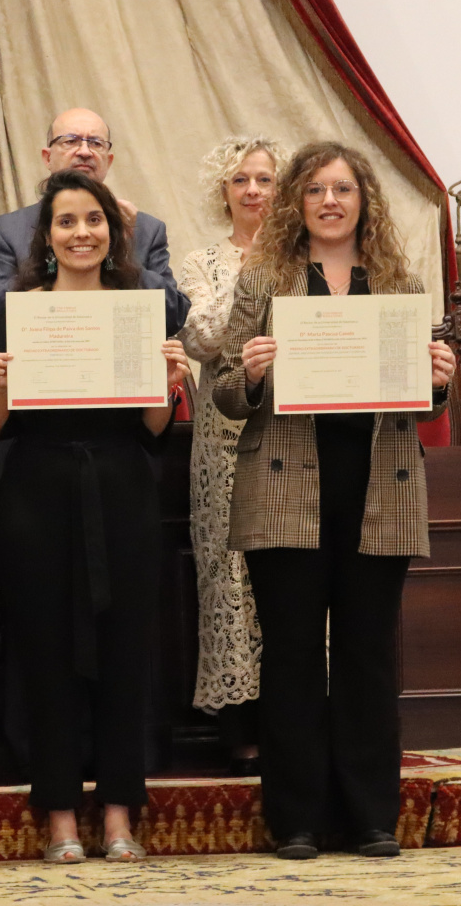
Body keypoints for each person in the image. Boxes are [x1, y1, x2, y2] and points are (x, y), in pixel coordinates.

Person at [211, 142, 455, 860]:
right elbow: (224, 392)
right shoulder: (265, 280)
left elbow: (420, 402)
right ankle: (296, 820)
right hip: (285, 486)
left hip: (378, 487)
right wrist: (251, 373)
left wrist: (439, 380)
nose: (329, 201)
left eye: (343, 189)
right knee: (290, 656)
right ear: (297, 201)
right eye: (316, 189)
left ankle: (370, 817)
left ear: (363, 201)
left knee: (367, 655)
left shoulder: (401, 286)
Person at [0, 169, 189, 864]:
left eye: (94, 219)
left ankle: (119, 815)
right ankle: (60, 817)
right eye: (67, 221)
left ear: (113, 232)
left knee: (126, 655)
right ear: (47, 235)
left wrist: (167, 386)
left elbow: (153, 429)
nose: (82, 232)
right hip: (36, 494)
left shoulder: (140, 309)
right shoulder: (13, 312)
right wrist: (0, 387)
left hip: (122, 491)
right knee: (46, 656)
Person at [177, 136, 279, 773]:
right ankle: (240, 722)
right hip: (222, 436)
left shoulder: (309, 258)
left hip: (293, 433)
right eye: (240, 180)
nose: (253, 191)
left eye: (264, 179)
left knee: (290, 569)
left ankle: (297, 715)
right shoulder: (202, 262)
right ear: (224, 191)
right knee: (228, 572)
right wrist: (252, 267)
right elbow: (203, 338)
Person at [0, 108, 189, 333]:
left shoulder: (146, 228)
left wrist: (119, 248)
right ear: (47, 157)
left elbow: (174, 317)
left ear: (109, 160)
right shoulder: (5, 231)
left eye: (96, 143)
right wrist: (51, 270)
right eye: (71, 141)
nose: (85, 151)